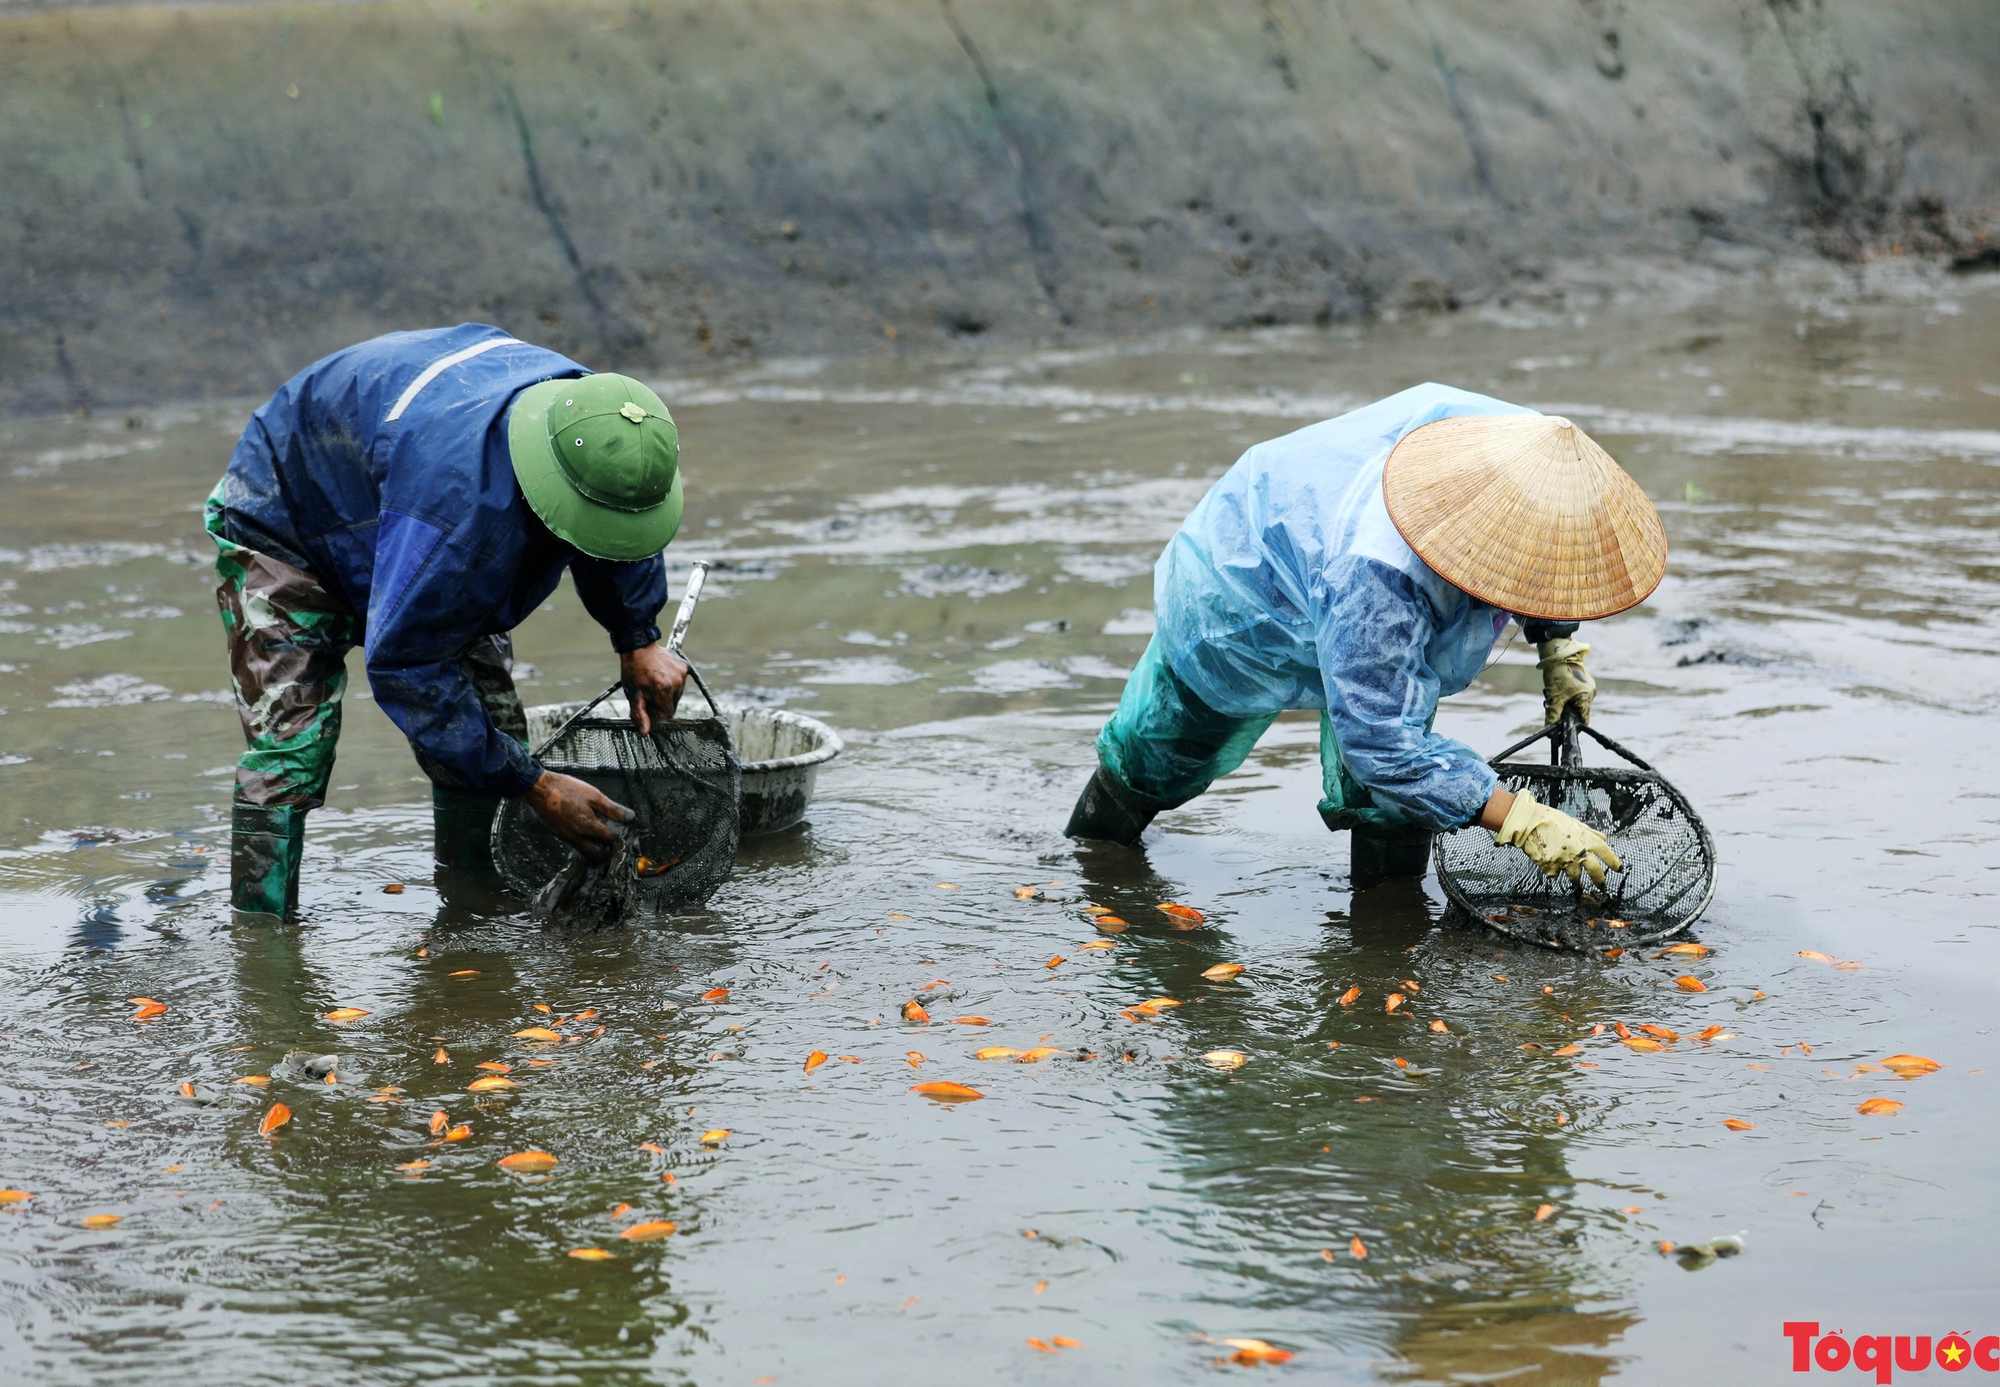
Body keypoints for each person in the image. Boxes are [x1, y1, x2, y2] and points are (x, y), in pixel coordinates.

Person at [1065, 382, 1666, 891]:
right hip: (1244, 592)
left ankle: (1384, 927)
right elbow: (1380, 742)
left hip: (1335, 554)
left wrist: (1557, 643)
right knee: (1163, 753)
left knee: (1396, 799)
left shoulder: (1532, 451)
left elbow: (1543, 558)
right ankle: (1089, 865)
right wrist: (1519, 818)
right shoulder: (1378, 575)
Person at [208, 324, 689, 924]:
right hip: (289, 513)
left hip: (396, 468)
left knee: (492, 726)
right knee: (290, 749)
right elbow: (407, 666)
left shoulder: (604, 423)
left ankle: (476, 901)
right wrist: (537, 786)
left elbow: (620, 527)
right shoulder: (458, 522)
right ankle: (263, 945)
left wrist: (637, 635)